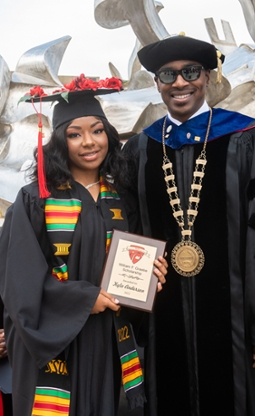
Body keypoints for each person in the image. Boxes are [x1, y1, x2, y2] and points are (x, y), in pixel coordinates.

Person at [123, 34, 255, 416]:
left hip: (237, 329)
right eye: (167, 75)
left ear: (207, 77)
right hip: (162, 326)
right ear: (156, 84)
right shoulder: (139, 150)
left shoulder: (249, 139)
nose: (179, 83)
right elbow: (128, 235)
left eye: (190, 72)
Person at [0, 74, 167, 416]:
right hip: (52, 341)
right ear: (59, 142)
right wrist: (83, 299)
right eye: (75, 134)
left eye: (97, 130)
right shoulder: (35, 200)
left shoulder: (120, 198)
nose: (89, 142)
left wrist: (151, 274)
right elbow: (18, 279)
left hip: (106, 337)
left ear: (109, 134)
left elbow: (130, 265)